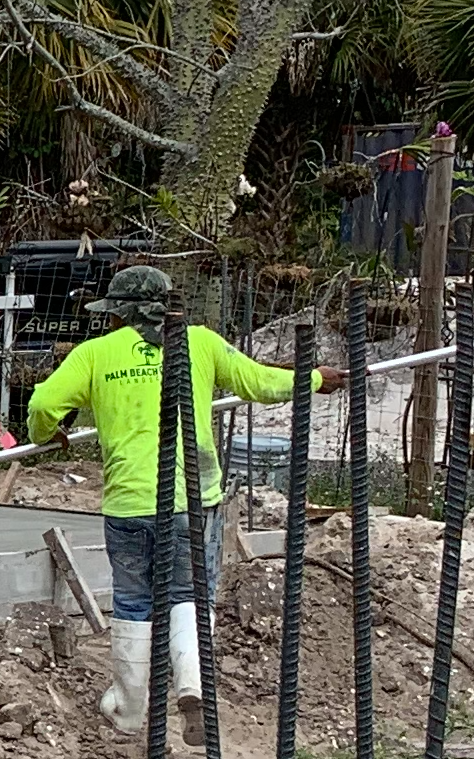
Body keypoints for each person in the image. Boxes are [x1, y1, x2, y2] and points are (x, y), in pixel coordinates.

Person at [25, 267, 338, 731]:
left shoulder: (95, 354)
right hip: (191, 498)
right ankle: (191, 684)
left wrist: (47, 434)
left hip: (129, 503)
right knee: (188, 593)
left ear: (117, 314)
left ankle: (131, 711)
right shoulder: (201, 342)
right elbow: (261, 383)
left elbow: (41, 406)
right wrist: (314, 379)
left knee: (133, 599)